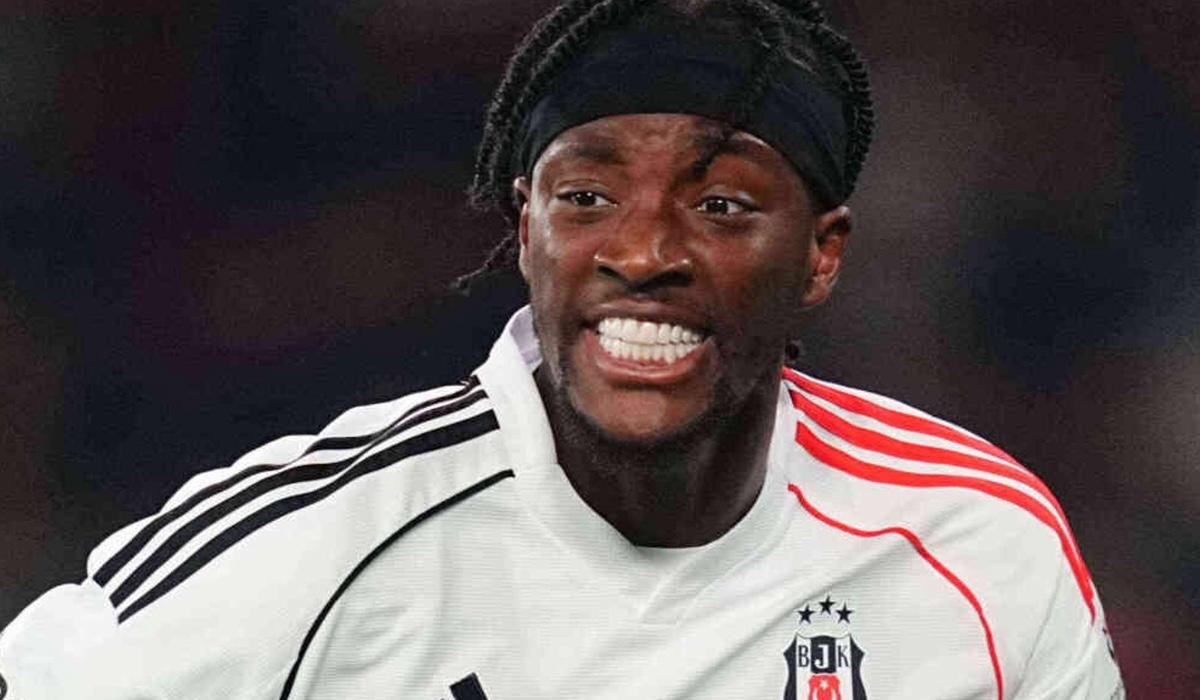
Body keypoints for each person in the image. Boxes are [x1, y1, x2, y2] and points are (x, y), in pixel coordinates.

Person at [0, 1, 1124, 698]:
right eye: (586, 195)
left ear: (821, 256)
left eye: (723, 204)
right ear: (524, 228)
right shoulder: (314, 546)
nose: (643, 250)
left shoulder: (980, 545)